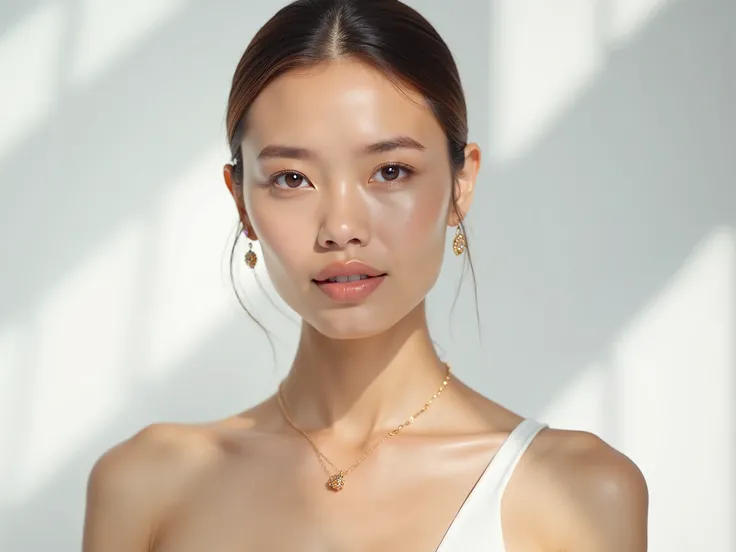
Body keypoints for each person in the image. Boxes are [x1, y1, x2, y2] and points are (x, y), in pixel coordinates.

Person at [82, 1, 648, 550]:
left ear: (461, 183)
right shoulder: (145, 483)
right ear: (241, 203)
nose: (341, 227)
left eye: (390, 171)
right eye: (292, 179)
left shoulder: (577, 489)